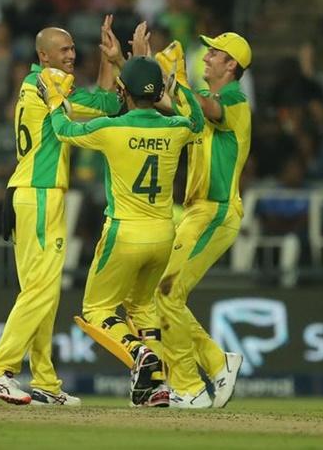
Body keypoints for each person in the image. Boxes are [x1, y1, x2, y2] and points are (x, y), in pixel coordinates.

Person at [0, 20, 121, 406]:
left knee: (38, 292)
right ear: (44, 55)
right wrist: (112, 62)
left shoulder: (33, 84)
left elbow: (102, 100)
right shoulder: (52, 82)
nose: (71, 56)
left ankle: (45, 382)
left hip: (22, 193)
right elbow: (108, 101)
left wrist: (107, 60)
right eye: (64, 50)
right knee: (42, 289)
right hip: (40, 196)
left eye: (73, 49)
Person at [44, 54, 203, 407]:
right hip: (163, 234)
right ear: (158, 90)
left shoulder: (110, 129)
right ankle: (155, 385)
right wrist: (180, 89)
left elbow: (63, 130)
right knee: (144, 307)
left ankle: (139, 353)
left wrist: (55, 99)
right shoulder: (174, 128)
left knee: (97, 310)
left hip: (124, 233)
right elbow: (198, 121)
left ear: (121, 90)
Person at [151, 32, 252, 408]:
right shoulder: (202, 101)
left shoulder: (235, 99)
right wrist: (139, 65)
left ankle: (190, 386)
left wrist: (174, 76)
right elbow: (163, 101)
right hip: (198, 211)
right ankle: (215, 361)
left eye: (215, 53)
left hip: (217, 209)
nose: (206, 56)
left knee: (167, 293)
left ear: (231, 65)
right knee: (163, 295)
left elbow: (205, 107)